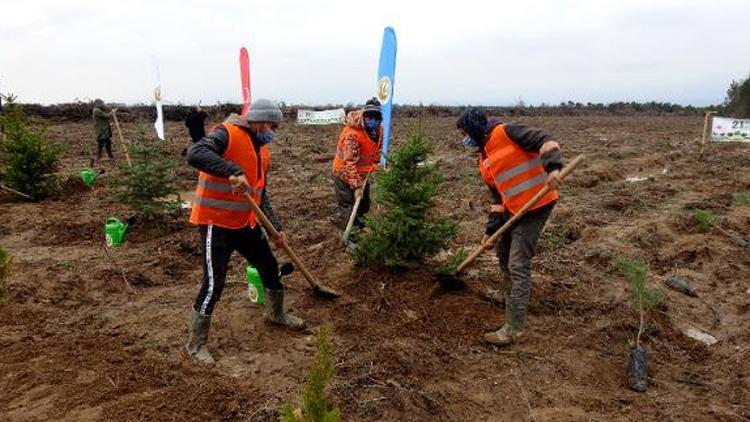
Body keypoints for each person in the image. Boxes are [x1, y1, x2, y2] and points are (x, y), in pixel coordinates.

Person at [184, 99, 303, 365]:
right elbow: (195, 153)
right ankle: (195, 344)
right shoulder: (227, 132)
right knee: (215, 283)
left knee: (270, 268)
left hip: (246, 223)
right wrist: (233, 170)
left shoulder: (263, 152)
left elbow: (262, 196)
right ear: (258, 121)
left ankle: (276, 314)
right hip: (217, 224)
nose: (273, 130)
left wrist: (276, 229)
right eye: (272, 125)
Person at [456, 107, 563, 346]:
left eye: (465, 133)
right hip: (514, 208)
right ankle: (511, 295)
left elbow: (545, 139)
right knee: (502, 252)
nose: (464, 139)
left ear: (474, 129)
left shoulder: (507, 132)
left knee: (518, 262)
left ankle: (513, 328)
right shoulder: (483, 159)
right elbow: (497, 200)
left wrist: (553, 168)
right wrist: (490, 233)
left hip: (537, 204)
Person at [331, 97, 382, 243]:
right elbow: (349, 163)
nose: (373, 122)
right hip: (344, 172)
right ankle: (350, 237)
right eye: (369, 118)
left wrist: (374, 165)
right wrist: (356, 186)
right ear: (363, 116)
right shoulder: (352, 134)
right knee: (348, 204)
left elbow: (376, 150)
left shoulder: (379, 129)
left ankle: (360, 228)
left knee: (364, 203)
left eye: (376, 119)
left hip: (363, 174)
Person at [92, 99, 116, 163]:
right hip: (101, 130)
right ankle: (99, 157)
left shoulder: (99, 109)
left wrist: (109, 108)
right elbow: (107, 116)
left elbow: (106, 112)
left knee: (108, 143)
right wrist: (112, 112)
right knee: (101, 143)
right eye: (102, 103)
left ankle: (110, 156)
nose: (103, 105)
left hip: (105, 130)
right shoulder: (97, 110)